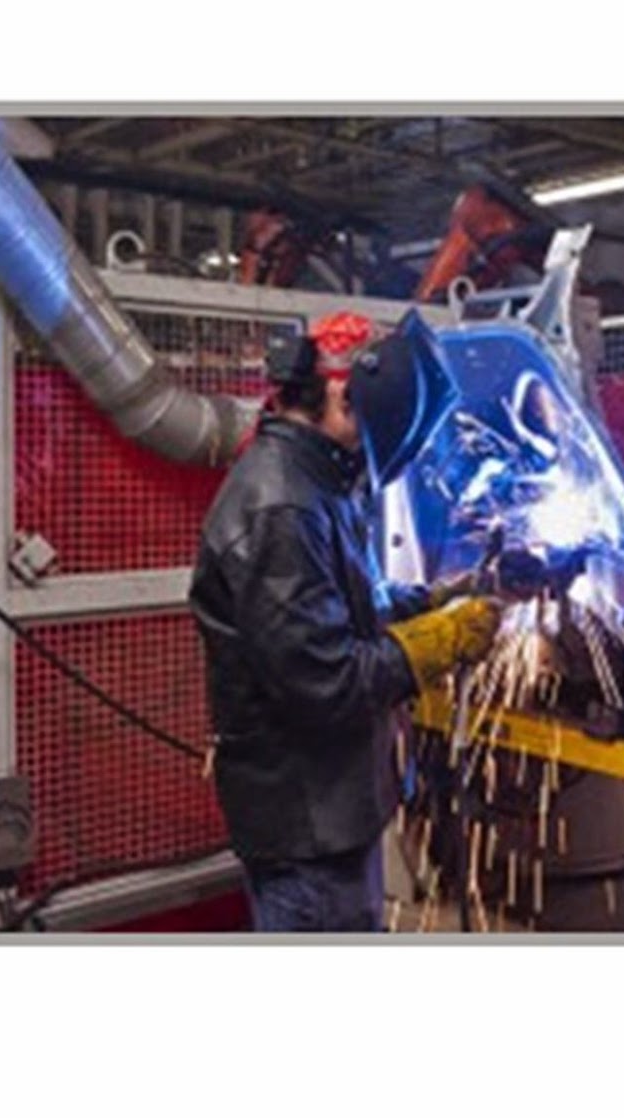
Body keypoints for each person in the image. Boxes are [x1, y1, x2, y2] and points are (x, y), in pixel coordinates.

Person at [189, 311, 499, 932]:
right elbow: (326, 680)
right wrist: (443, 640)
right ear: (338, 391)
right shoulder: (281, 506)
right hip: (305, 828)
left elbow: (347, 610)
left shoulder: (317, 479)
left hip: (332, 809)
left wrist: (445, 597)